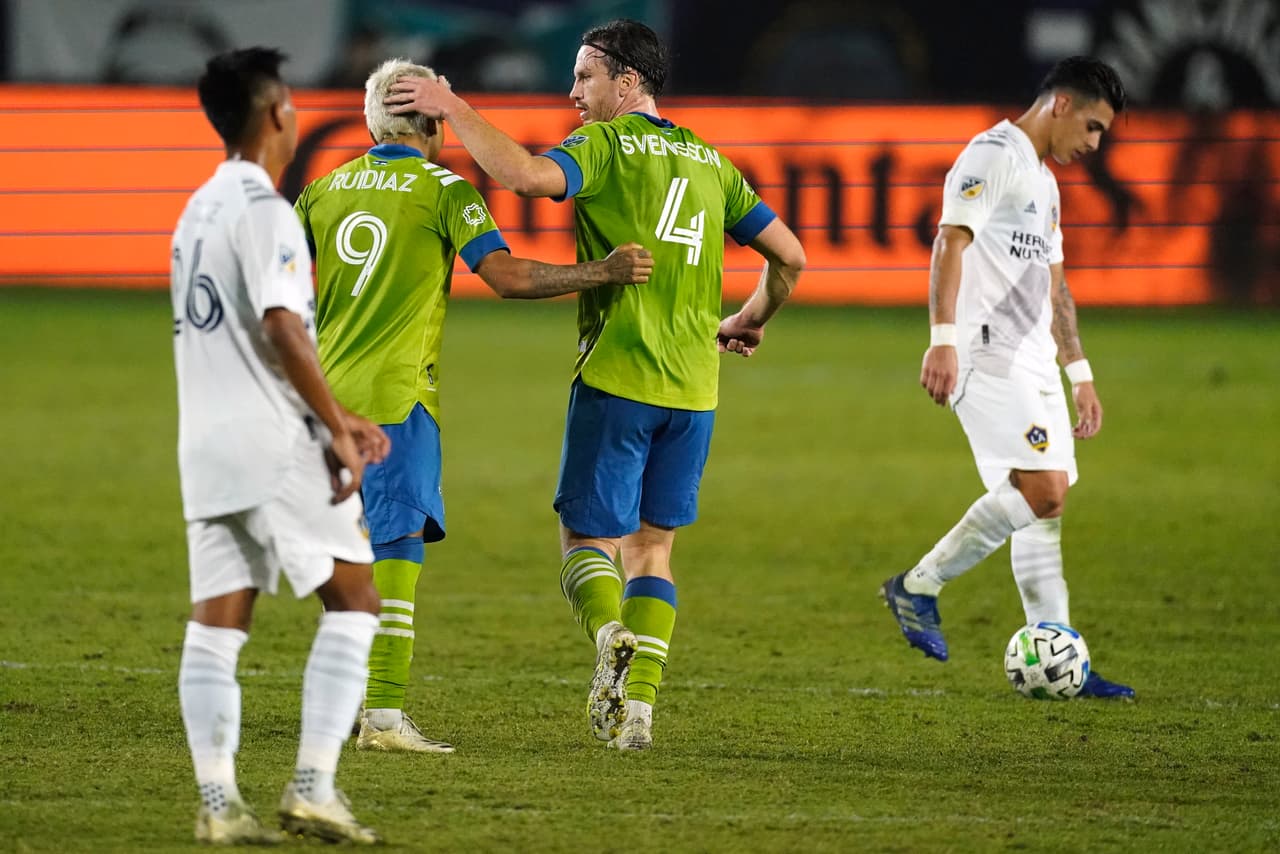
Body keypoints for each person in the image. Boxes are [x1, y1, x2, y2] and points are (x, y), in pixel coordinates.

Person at [384, 19, 806, 750]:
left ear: (628, 80)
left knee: (585, 542)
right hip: (695, 391)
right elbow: (791, 256)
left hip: (618, 376)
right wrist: (746, 316)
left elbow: (523, 176)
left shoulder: (605, 145)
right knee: (653, 551)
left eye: (584, 77)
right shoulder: (710, 161)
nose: (572, 92)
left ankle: (611, 634)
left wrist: (452, 108)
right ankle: (636, 712)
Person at [294, 58, 654, 754]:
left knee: (341, 559)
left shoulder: (322, 190)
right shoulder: (445, 190)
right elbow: (508, 276)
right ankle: (386, 717)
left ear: (373, 121)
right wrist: (600, 272)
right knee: (396, 556)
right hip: (395, 403)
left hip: (321, 403)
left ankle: (340, 700)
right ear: (432, 122)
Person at [172, 46, 389, 845]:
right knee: (357, 600)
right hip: (272, 445)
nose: (297, 115)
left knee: (220, 620)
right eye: (292, 104)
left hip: (205, 446)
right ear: (273, 115)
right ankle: (313, 786)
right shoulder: (267, 210)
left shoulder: (197, 210)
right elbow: (280, 324)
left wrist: (338, 412)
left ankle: (220, 803)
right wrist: (338, 426)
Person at [879, 56, 1135, 700]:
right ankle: (918, 585)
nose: (1095, 144)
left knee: (1041, 514)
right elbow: (949, 243)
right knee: (1043, 490)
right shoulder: (992, 154)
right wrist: (943, 342)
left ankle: (1062, 658)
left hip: (1034, 362)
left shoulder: (1044, 183)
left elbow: (1056, 286)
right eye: (1095, 127)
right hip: (986, 356)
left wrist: (1079, 372)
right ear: (1061, 105)